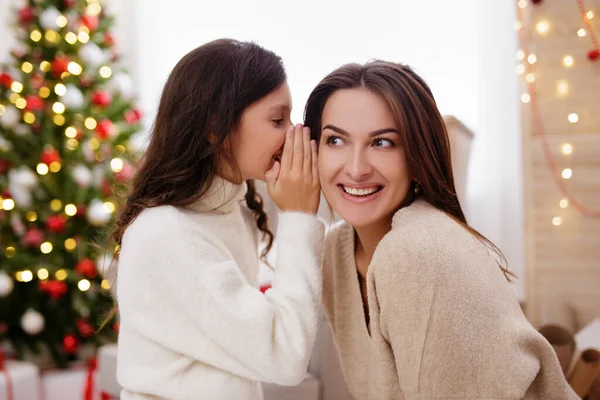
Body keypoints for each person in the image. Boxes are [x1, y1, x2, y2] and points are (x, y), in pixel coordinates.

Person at [304, 61, 578, 399]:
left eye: (383, 143)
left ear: (417, 156)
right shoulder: (337, 249)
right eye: (335, 140)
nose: (357, 168)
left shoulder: (417, 250)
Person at [113, 39, 324, 400]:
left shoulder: (234, 211)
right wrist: (300, 216)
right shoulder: (166, 233)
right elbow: (285, 355)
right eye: (277, 119)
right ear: (215, 128)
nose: (294, 133)